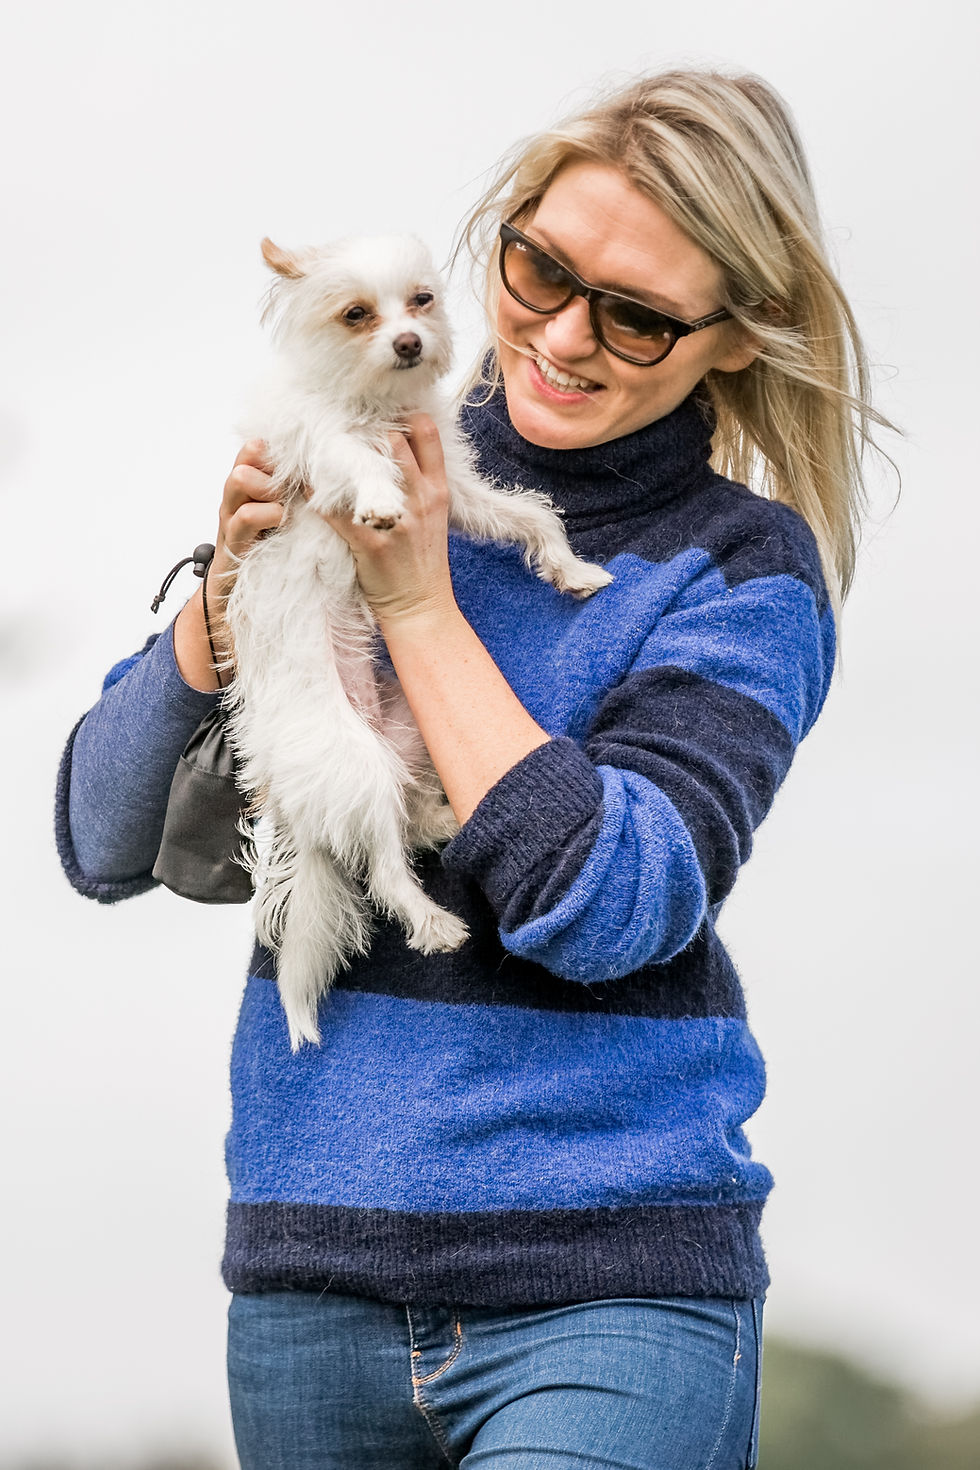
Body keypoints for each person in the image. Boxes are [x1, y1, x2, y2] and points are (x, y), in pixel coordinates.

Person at [56, 68, 883, 1470]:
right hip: (312, 1279)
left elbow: (613, 900)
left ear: (735, 339)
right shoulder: (347, 446)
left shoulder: (740, 572)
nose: (560, 334)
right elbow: (102, 835)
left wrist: (419, 604)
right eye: (537, 267)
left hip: (608, 1290)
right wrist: (229, 594)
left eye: (632, 313)